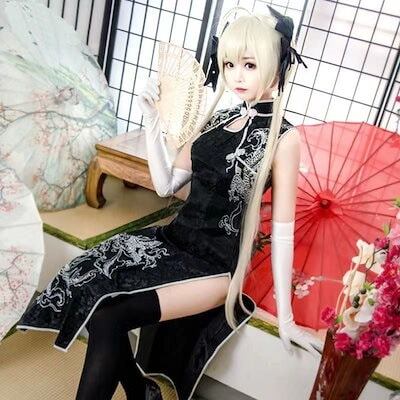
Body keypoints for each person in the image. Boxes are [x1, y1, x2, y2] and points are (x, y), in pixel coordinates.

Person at [15, 5, 322, 400]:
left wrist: (286, 320)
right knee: (93, 293)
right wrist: (152, 122)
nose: (236, 76)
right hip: (172, 241)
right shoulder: (216, 120)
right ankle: (141, 390)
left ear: (277, 65)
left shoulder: (285, 138)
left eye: (249, 65)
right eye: (229, 64)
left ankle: (140, 389)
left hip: (215, 268)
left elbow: (282, 234)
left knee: (111, 318)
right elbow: (166, 185)